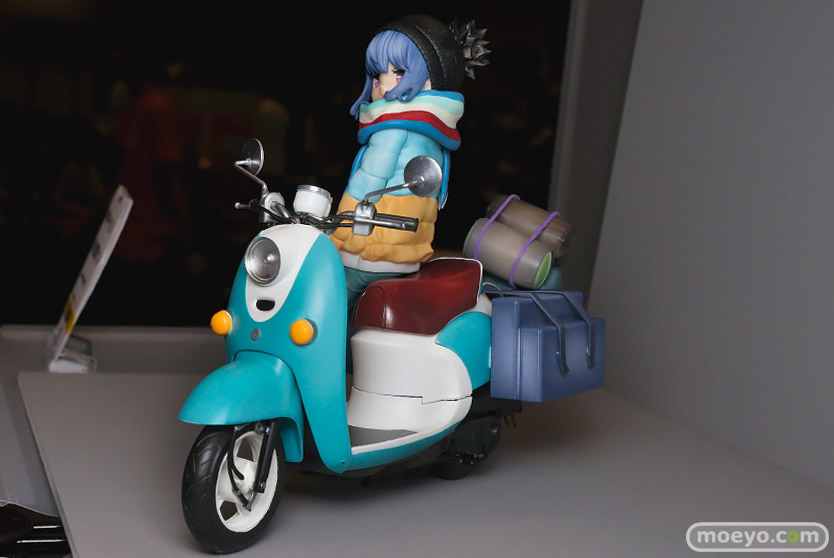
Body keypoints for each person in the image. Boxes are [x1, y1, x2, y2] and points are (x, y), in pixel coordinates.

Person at [329, 15, 489, 311]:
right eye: (376, 75)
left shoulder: (393, 127)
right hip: (407, 249)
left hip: (371, 247)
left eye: (398, 72)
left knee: (330, 301)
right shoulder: (433, 129)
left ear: (430, 79)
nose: (382, 83)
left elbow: (368, 181)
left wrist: (338, 229)